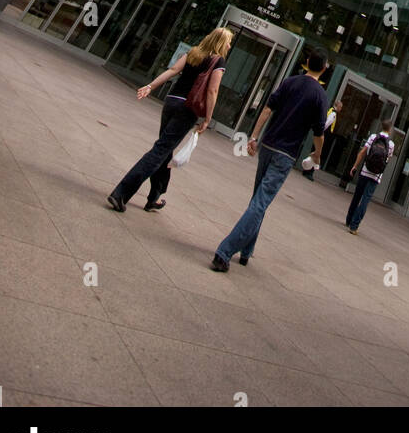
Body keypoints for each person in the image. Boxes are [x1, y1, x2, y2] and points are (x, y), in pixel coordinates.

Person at [211, 49, 328, 271]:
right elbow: (319, 133)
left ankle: (246, 251)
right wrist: (317, 154)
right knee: (260, 202)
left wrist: (254, 136)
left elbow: (267, 109)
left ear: (307, 62)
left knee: (258, 199)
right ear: (323, 68)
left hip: (268, 146)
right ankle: (224, 253)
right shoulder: (320, 95)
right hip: (286, 154)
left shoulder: (290, 82)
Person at [107, 26, 231, 212]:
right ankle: (120, 194)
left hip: (171, 101)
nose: (229, 46)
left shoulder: (193, 53)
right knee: (160, 150)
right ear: (221, 42)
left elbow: (173, 70)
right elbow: (213, 90)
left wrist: (150, 86)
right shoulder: (218, 61)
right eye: (228, 42)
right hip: (187, 108)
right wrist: (207, 119)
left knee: (165, 149)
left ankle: (154, 197)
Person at [345, 119, 395, 234]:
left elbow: (362, 152)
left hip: (365, 171)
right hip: (376, 176)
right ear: (390, 129)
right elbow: (387, 160)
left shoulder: (373, 137)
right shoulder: (391, 144)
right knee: (365, 200)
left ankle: (348, 220)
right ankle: (354, 226)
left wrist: (355, 166)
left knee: (357, 196)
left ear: (382, 126)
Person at [302, 98, 342, 180]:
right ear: (337, 106)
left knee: (315, 152)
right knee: (317, 153)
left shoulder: (330, 110)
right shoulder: (333, 114)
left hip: (321, 134)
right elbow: (326, 124)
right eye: (340, 107)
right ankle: (309, 172)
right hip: (324, 135)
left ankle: (306, 170)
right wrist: (321, 133)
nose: (341, 109)